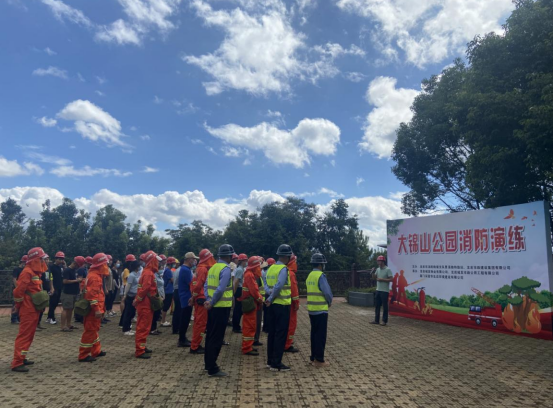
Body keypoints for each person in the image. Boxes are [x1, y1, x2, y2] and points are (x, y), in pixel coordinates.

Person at [11, 247, 49, 372]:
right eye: (42, 259)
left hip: (33, 308)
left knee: (29, 335)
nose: (44, 261)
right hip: (28, 308)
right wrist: (17, 307)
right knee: (24, 335)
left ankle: (22, 357)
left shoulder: (34, 272)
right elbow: (18, 291)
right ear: (36, 260)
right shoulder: (27, 272)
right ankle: (17, 363)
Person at [203, 244, 235, 377]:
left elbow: (206, 285)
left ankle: (208, 364)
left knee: (210, 335)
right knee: (217, 337)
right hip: (221, 307)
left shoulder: (213, 267)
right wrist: (212, 302)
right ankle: (213, 368)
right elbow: (221, 289)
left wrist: (208, 300)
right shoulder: (225, 269)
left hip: (212, 306)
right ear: (229, 256)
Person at [264, 244, 293, 372]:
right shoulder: (283, 269)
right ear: (287, 256)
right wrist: (271, 297)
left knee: (272, 333)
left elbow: (265, 283)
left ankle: (270, 361)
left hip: (271, 306)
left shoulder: (271, 268)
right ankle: (276, 363)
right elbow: (280, 285)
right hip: (282, 305)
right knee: (280, 334)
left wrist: (269, 295)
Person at [78, 253, 109, 363]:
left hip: (94, 308)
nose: (106, 266)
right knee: (90, 331)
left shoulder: (93, 275)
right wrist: (96, 309)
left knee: (94, 330)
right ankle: (83, 355)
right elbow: (92, 295)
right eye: (105, 264)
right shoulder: (95, 277)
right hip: (93, 310)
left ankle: (96, 350)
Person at [306, 253, 333, 368]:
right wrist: (329, 301)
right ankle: (319, 360)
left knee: (314, 334)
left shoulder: (310, 275)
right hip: (321, 310)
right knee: (320, 336)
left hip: (312, 309)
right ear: (321, 264)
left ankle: (313, 358)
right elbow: (327, 292)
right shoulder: (320, 276)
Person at [134, 250, 160, 359]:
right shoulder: (149, 273)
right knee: (143, 327)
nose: (158, 263)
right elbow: (145, 289)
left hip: (146, 303)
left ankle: (142, 346)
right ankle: (140, 350)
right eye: (156, 260)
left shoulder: (147, 272)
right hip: (145, 304)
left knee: (145, 326)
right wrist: (138, 299)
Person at [189, 249, 215, 354]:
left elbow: (194, 284)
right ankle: (195, 347)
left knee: (198, 323)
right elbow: (199, 285)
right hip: (201, 299)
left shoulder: (199, 268)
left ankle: (195, 344)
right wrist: (193, 297)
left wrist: (193, 297)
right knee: (200, 324)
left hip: (199, 298)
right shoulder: (203, 269)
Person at [239, 256, 264, 356]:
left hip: (251, 302)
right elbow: (254, 290)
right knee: (249, 325)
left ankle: (248, 345)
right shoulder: (249, 275)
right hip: (250, 303)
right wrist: (260, 299)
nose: (259, 268)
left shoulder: (249, 273)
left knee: (251, 325)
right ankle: (247, 348)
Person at [178, 252, 198, 347]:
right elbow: (191, 283)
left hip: (186, 296)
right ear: (189, 260)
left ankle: (183, 338)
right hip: (186, 297)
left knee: (185, 318)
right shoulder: (185, 270)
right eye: (193, 259)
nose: (195, 261)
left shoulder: (186, 269)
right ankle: (182, 339)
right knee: (185, 319)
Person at [60, 256, 85, 332]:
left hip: (74, 292)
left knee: (70, 309)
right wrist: (76, 280)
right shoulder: (67, 270)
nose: (78, 267)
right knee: (65, 309)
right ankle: (63, 326)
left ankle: (69, 324)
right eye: (78, 265)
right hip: (67, 293)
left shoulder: (74, 270)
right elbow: (65, 281)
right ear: (75, 263)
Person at [370, 255, 393, 326]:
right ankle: (376, 320)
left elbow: (391, 279)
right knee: (377, 305)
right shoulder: (377, 269)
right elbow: (374, 278)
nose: (378, 262)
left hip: (385, 291)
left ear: (383, 261)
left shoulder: (387, 269)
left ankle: (384, 321)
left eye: (379, 261)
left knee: (384, 306)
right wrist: (373, 272)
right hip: (378, 290)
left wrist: (382, 279)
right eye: (377, 261)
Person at [284, 254, 300, 353]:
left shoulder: (284, 271)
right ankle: (287, 345)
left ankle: (285, 342)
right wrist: (296, 303)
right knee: (291, 323)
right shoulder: (291, 273)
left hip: (283, 302)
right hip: (290, 303)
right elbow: (294, 290)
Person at [121, 260, 141, 335]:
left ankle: (129, 328)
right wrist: (125, 295)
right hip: (130, 296)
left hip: (135, 295)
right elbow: (128, 285)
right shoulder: (132, 275)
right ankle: (126, 329)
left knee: (132, 313)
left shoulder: (136, 274)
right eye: (138, 266)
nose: (139, 267)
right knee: (128, 313)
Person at [46, 251, 65, 325]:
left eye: (62, 259)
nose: (61, 261)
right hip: (53, 287)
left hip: (59, 287)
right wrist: (51, 288)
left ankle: (49, 317)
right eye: (59, 259)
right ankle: (51, 317)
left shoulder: (61, 267)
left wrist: (64, 265)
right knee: (52, 302)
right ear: (56, 259)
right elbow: (49, 278)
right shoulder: (51, 267)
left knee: (56, 302)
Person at [150, 255, 167, 335]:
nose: (162, 270)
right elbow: (155, 287)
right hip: (156, 296)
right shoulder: (154, 276)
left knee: (157, 313)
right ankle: (152, 329)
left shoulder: (160, 276)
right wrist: (159, 296)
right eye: (161, 268)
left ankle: (155, 328)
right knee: (155, 313)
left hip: (161, 295)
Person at [118, 254, 136, 327]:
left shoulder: (129, 270)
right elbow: (129, 279)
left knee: (128, 308)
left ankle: (124, 322)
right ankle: (124, 322)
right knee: (126, 307)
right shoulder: (126, 270)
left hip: (128, 288)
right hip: (126, 288)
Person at [232, 253, 248, 333]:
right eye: (245, 261)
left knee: (238, 309)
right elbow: (236, 282)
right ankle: (236, 327)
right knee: (237, 309)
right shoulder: (240, 270)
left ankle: (236, 325)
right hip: (239, 290)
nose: (246, 262)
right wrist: (234, 292)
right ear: (242, 261)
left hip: (239, 289)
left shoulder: (241, 269)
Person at [37, 255, 53, 330]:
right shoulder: (39, 268)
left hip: (47, 290)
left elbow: (50, 278)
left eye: (48, 259)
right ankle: (35, 323)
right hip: (40, 290)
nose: (47, 261)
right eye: (45, 259)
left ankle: (38, 323)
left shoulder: (48, 268)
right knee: (39, 307)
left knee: (43, 307)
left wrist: (52, 287)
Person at [11, 255, 27, 324]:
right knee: (15, 303)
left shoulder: (25, 270)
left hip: (23, 289)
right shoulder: (16, 269)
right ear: (22, 262)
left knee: (21, 303)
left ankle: (19, 317)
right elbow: (14, 279)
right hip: (17, 289)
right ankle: (14, 318)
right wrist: (17, 288)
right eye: (25, 262)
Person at [161, 256, 176, 327]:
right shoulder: (168, 271)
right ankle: (163, 321)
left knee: (166, 306)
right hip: (168, 291)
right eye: (173, 263)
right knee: (166, 306)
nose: (174, 264)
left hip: (168, 290)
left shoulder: (167, 270)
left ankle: (163, 320)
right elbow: (173, 280)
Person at [261, 258, 275, 333]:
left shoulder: (264, 272)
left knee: (266, 312)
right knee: (270, 312)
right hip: (272, 294)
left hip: (266, 293)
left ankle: (265, 327)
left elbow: (264, 283)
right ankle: (269, 328)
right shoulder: (273, 272)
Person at [74, 260, 88, 324]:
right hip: (82, 287)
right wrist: (80, 289)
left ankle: (79, 316)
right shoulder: (81, 269)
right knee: (80, 302)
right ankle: (78, 317)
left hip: (83, 286)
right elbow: (80, 279)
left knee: (80, 302)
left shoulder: (84, 269)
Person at [171, 262, 181, 334]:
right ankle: (176, 328)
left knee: (177, 310)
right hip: (179, 290)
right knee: (178, 310)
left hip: (176, 290)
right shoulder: (180, 270)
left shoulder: (177, 270)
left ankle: (175, 327)